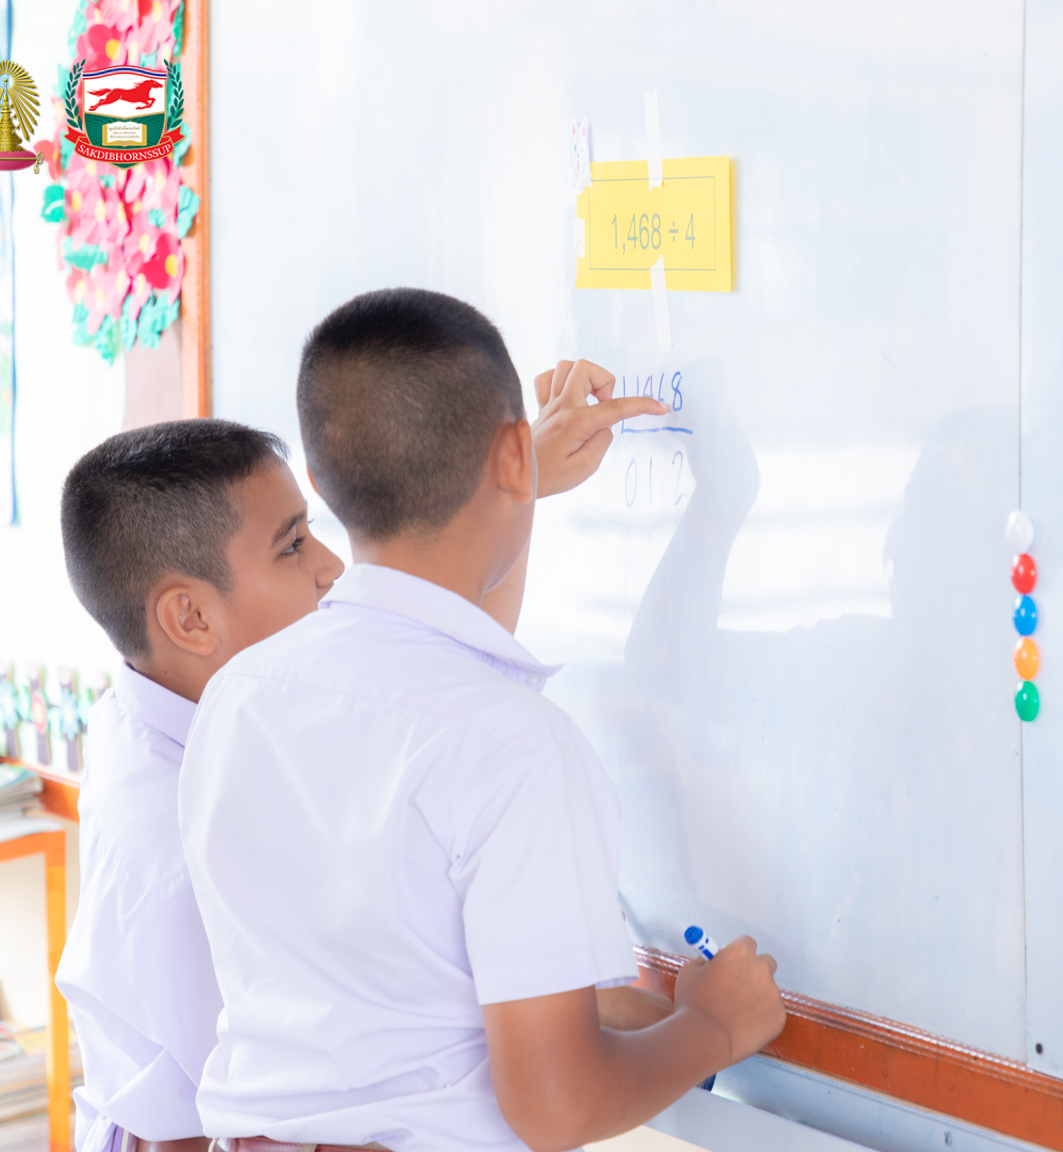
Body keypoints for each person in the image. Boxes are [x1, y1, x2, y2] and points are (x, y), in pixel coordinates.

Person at [179, 288, 786, 1152]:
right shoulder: (514, 747)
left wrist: (519, 484)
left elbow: (439, 652)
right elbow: (558, 1106)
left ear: (319, 481)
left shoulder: (240, 692)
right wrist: (714, 1027)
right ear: (511, 452)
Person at [55, 419, 346, 1152]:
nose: (333, 567)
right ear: (187, 618)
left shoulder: (161, 694)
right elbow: (263, 1122)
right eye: (293, 546)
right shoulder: (186, 866)